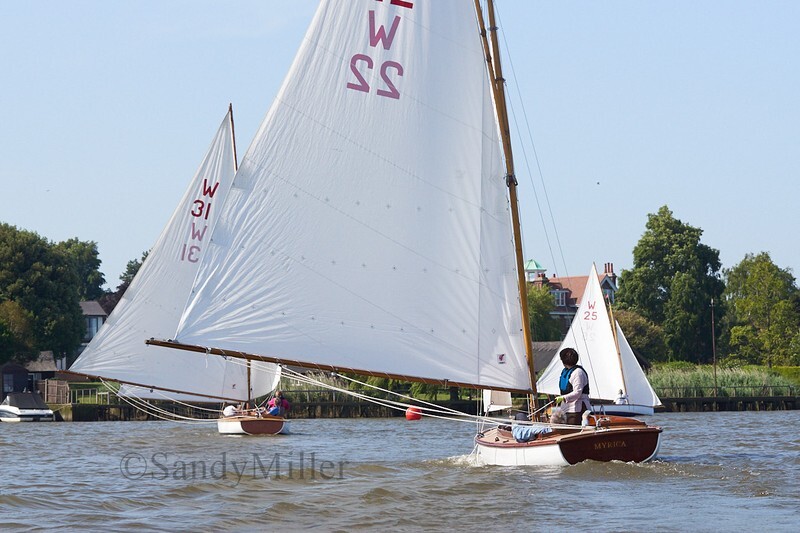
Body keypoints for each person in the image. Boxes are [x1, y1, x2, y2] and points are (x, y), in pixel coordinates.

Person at [553, 347, 591, 425]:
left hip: (577, 409)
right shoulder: (566, 372)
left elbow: (577, 392)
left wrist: (563, 397)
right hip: (566, 409)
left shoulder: (578, 372)